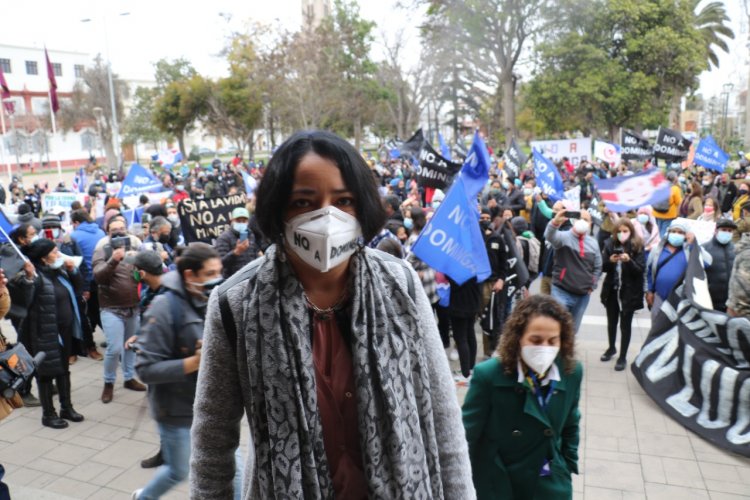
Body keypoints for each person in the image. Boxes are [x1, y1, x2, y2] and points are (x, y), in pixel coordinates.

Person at [190, 130, 473, 498]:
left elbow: (443, 417)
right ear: (278, 209)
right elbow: (212, 444)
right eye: (303, 202)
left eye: (344, 200)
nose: (327, 216)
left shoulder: (400, 283)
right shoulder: (236, 304)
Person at [462, 295, 581, 499]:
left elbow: (571, 420)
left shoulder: (571, 372)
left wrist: (567, 463)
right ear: (518, 338)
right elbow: (467, 435)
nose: (545, 347)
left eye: (553, 341)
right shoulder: (488, 375)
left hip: (548, 480)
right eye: (536, 340)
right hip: (500, 482)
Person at [132, 243, 223, 500]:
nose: (217, 279)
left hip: (215, 408)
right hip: (177, 410)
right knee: (178, 471)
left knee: (232, 468)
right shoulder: (164, 306)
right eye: (209, 274)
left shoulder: (212, 300)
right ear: (189, 275)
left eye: (219, 272)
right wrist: (193, 362)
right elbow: (146, 369)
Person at [22, 239, 85, 429]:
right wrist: (28, 278)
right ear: (43, 257)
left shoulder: (58, 271)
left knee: (64, 369)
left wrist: (73, 270)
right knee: (46, 373)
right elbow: (24, 298)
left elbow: (78, 287)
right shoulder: (34, 275)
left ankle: (67, 408)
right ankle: (48, 414)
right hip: (45, 332)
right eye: (54, 251)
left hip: (65, 331)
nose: (58, 254)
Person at [92, 216, 147, 403]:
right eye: (114, 229)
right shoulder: (102, 250)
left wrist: (143, 274)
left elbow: (142, 271)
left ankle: (129, 377)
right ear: (108, 232)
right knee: (114, 349)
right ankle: (109, 383)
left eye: (122, 228)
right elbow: (98, 276)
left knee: (130, 346)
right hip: (111, 308)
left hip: (133, 307)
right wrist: (113, 260)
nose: (119, 232)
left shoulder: (134, 248)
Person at [545, 209, 602, 333]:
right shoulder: (563, 237)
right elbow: (549, 236)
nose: (582, 222)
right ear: (573, 220)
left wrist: (592, 284)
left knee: (572, 331)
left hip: (582, 296)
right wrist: (555, 222)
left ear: (590, 224)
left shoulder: (593, 244)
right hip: (561, 291)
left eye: (586, 220)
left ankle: (566, 352)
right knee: (557, 328)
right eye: (579, 218)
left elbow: (597, 267)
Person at [599, 219, 646, 371]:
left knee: (625, 326)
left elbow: (640, 270)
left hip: (629, 292)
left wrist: (629, 261)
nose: (622, 234)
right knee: (611, 322)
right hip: (612, 290)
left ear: (631, 231)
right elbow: (602, 267)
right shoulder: (609, 244)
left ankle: (622, 356)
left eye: (625, 231)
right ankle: (611, 347)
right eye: (619, 231)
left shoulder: (637, 246)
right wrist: (610, 261)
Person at [646, 220, 692, 320]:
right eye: (673, 231)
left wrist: (694, 243)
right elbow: (649, 272)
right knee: (657, 330)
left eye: (680, 232)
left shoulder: (689, 251)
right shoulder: (656, 251)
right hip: (659, 298)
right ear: (668, 232)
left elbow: (706, 262)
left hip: (681, 300)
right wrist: (649, 291)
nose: (676, 234)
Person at [214, 207, 259, 279]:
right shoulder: (224, 238)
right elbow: (220, 264)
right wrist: (236, 252)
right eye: (238, 221)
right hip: (233, 280)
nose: (241, 223)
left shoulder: (251, 235)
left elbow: (255, 254)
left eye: (244, 221)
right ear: (232, 221)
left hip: (251, 277)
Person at [703, 219, 737, 313]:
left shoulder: (736, 250)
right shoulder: (704, 249)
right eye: (724, 230)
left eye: (729, 231)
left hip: (731, 305)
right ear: (716, 230)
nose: (727, 233)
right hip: (710, 303)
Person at [653, 171, 683, 236]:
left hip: (656, 212)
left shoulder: (659, 186)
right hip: (669, 214)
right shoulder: (675, 189)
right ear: (675, 179)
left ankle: (657, 242)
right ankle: (661, 244)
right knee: (664, 232)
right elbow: (678, 202)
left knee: (658, 231)